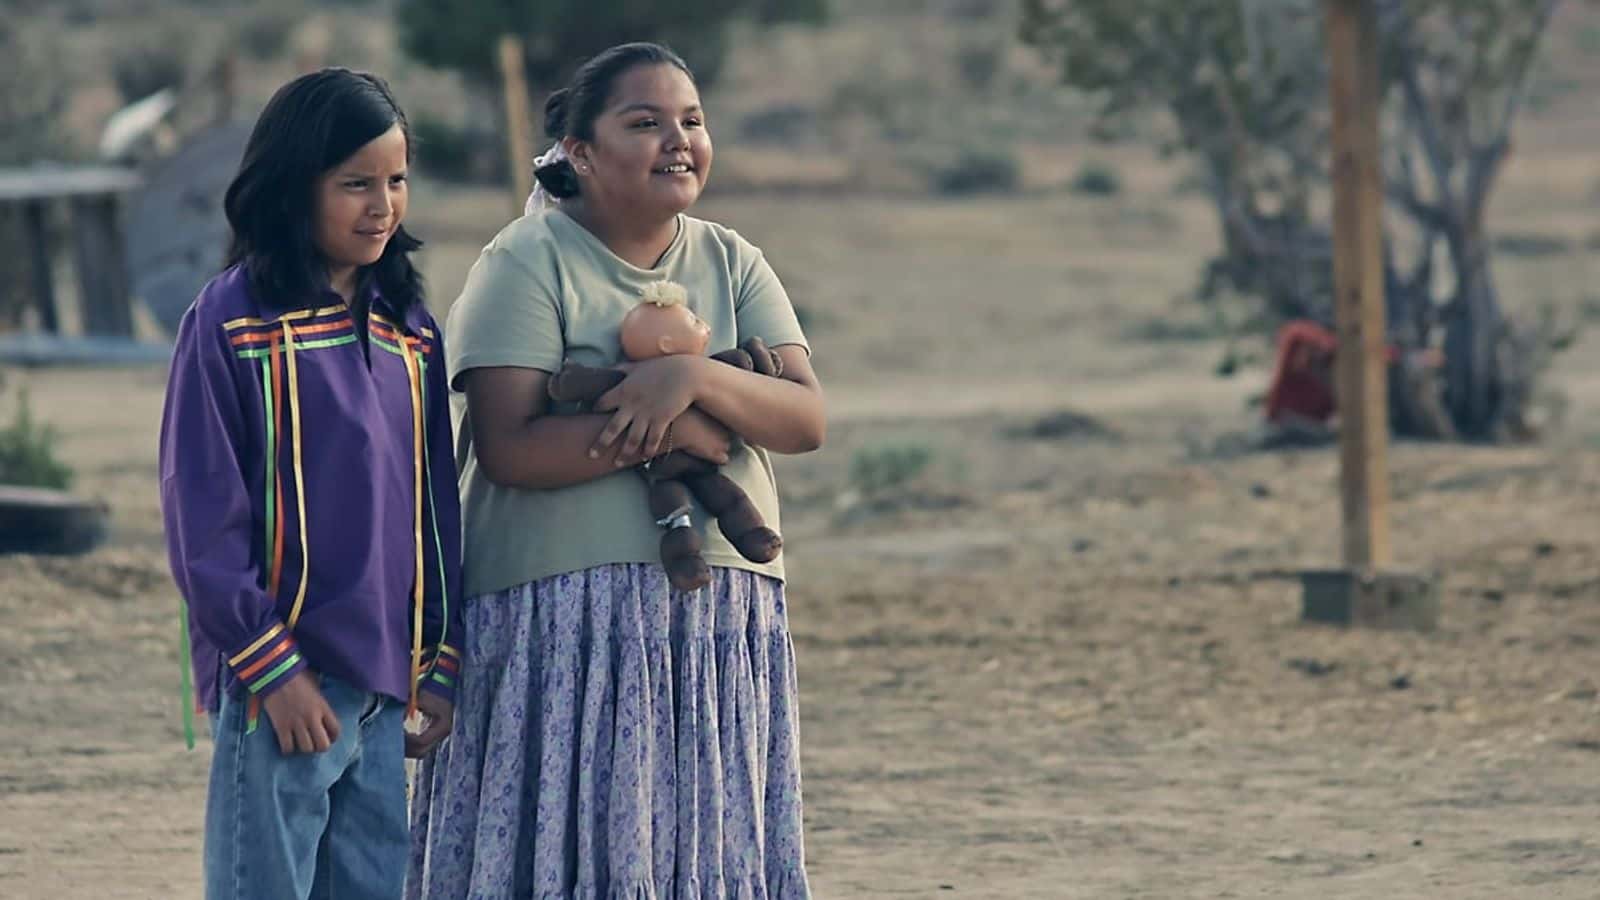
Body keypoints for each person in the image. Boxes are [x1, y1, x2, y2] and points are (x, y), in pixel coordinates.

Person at [407, 42, 823, 899]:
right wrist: (685, 433)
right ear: (582, 153)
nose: (678, 140)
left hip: (713, 624)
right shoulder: (526, 260)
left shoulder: (732, 260)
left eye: (692, 121)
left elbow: (804, 419)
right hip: (560, 627)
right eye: (645, 123)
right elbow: (512, 448)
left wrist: (692, 379)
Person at [158, 67, 462, 900]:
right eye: (355, 184)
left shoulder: (411, 333)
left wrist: (437, 660)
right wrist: (273, 672)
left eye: (396, 181)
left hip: (383, 687)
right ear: (294, 186)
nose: (382, 206)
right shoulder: (231, 322)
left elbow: (434, 509)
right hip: (282, 688)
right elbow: (201, 518)